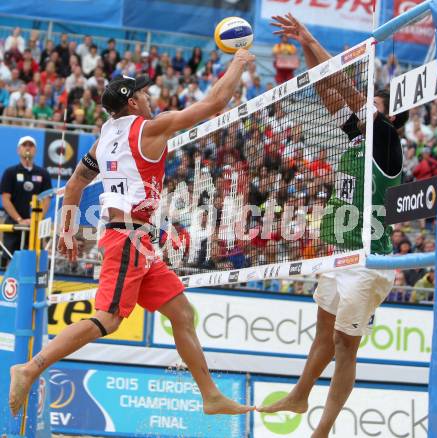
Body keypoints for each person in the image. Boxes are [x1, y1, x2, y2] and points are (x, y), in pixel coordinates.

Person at [9, 48, 256, 417]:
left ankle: (210, 395)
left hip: (137, 241)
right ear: (132, 102)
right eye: (143, 93)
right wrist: (238, 62)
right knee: (108, 319)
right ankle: (31, 367)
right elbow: (215, 102)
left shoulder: (105, 135)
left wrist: (68, 229)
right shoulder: (149, 128)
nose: (149, 97)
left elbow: (76, 184)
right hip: (126, 238)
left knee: (181, 312)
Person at [257, 15, 409, 438]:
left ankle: (323, 429)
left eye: (374, 105)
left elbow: (344, 85)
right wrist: (305, 48)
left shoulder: (388, 142)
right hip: (338, 252)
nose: (367, 108)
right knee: (322, 337)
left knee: (345, 347)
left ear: (390, 117)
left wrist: (309, 36)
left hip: (368, 261)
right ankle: (300, 395)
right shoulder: (358, 136)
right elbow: (327, 87)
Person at [0, 136, 52, 267]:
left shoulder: (43, 173)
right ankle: (9, 287)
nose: (28, 147)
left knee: (34, 260)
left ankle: (30, 288)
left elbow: (47, 199)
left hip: (35, 224)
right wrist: (19, 219)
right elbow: (5, 200)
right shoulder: (10, 172)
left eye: (31, 145)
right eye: (24, 145)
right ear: (18, 150)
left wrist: (37, 219)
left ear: (35, 150)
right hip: (14, 224)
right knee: (10, 261)